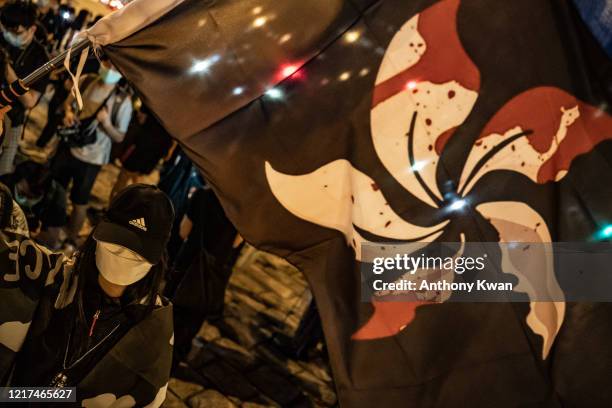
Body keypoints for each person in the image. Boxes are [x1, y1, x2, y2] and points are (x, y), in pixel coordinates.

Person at [0, 183, 174, 407]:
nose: (122, 255)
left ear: (158, 258)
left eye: (137, 251)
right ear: (98, 234)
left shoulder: (152, 330)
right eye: (117, 242)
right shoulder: (53, 276)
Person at [51, 61, 133, 247]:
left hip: (92, 158)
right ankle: (53, 226)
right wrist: (69, 113)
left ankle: (71, 238)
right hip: (69, 147)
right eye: (107, 63)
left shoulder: (122, 101)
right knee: (58, 190)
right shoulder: (87, 81)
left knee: (80, 200)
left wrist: (106, 123)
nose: (109, 69)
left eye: (115, 67)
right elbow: (67, 103)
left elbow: (119, 136)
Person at [166, 185, 243, 366]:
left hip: (187, 265)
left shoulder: (203, 195)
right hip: (211, 273)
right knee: (192, 319)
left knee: (169, 312)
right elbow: (236, 243)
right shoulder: (243, 210)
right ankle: (176, 357)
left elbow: (184, 231)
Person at [0, 1, 49, 175]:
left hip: (12, 120)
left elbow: (30, 102)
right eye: (5, 30)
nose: (8, 35)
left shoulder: (41, 58)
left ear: (32, 29)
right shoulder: (2, 38)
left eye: (16, 32)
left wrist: (8, 71)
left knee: (3, 169)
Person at [110, 103, 174, 199]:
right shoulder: (172, 123)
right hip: (147, 161)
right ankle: (120, 210)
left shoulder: (154, 104)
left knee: (121, 187)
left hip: (137, 156)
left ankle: (113, 209)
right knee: (137, 192)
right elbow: (166, 151)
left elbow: (141, 119)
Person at [0, 159, 66, 248]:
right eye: (20, 193)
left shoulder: (56, 197)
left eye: (29, 196)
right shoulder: (5, 183)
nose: (23, 199)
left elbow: (51, 239)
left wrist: (30, 239)